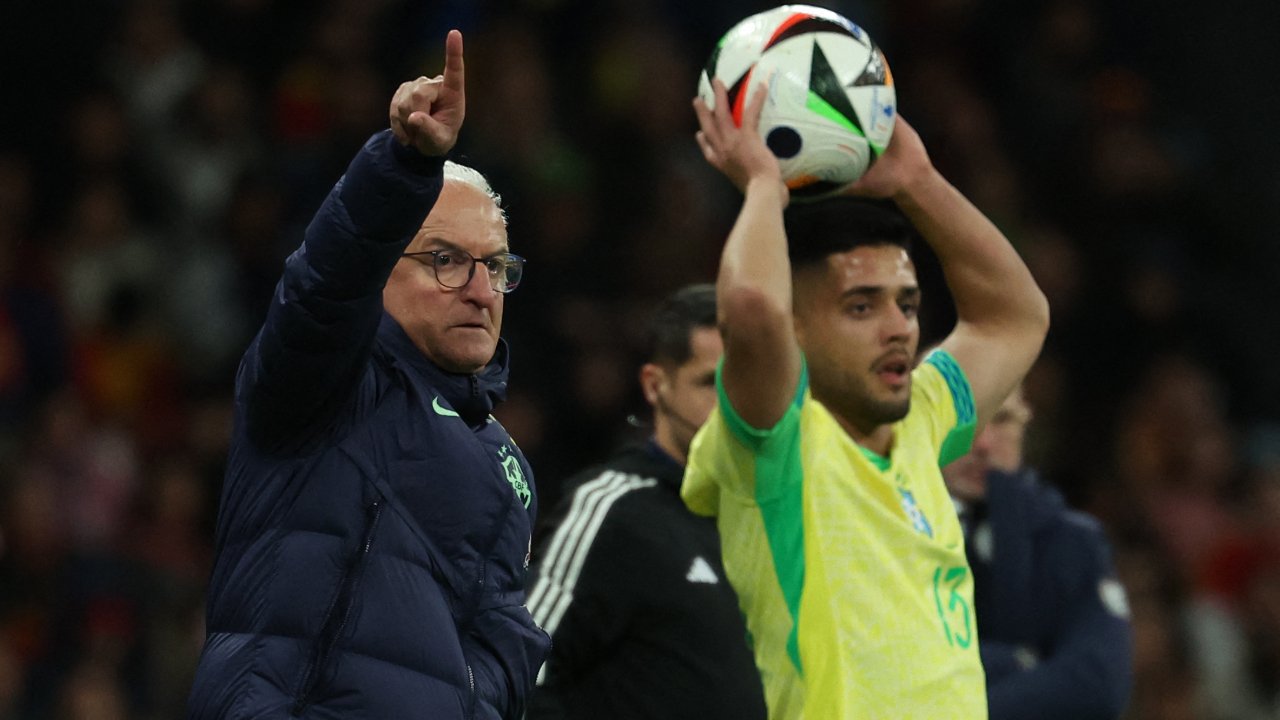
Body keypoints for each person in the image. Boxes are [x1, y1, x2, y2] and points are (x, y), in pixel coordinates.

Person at [186, 31, 550, 720]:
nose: (479, 290)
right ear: (382, 269)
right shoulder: (325, 384)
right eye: (446, 260)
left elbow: (502, 640)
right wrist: (401, 167)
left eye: (496, 267)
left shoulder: (508, 464)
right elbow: (323, 289)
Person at [680, 78, 1051, 718]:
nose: (900, 327)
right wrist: (765, 187)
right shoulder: (776, 445)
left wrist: (919, 181)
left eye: (906, 303)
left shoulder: (923, 420)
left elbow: (1015, 318)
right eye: (860, 306)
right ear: (796, 327)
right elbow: (751, 306)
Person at [524, 283, 767, 720]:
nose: (730, 405)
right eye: (710, 383)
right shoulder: (615, 509)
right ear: (656, 385)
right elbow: (522, 667)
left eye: (742, 382)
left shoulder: (768, 517)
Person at [942, 384, 1134, 719]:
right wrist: (1020, 664)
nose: (984, 443)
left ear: (1024, 429)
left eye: (1002, 420)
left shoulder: (1072, 540)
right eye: (963, 423)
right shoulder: (881, 537)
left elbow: (1099, 681)